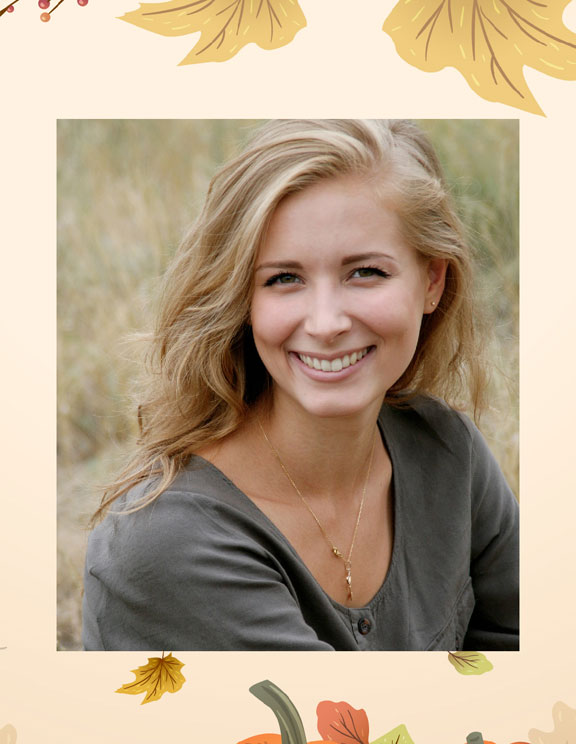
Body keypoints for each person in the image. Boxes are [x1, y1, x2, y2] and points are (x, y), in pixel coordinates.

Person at [82, 119, 519, 652]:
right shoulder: (168, 543)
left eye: (366, 272)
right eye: (284, 279)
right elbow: (334, 714)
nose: (325, 323)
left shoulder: (446, 452)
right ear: (240, 299)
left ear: (432, 281)